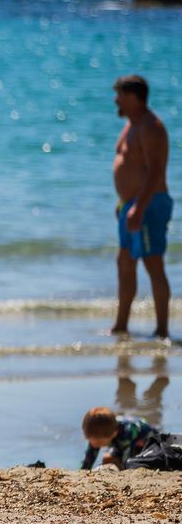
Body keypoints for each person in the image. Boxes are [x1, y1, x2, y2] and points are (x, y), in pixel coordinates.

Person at [110, 75, 171, 338]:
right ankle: (121, 326)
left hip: (149, 205)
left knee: (153, 264)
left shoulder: (151, 127)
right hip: (131, 205)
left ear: (133, 97)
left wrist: (139, 207)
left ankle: (162, 331)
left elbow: (156, 171)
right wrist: (124, 203)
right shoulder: (131, 125)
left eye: (120, 95)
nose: (116, 100)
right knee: (124, 261)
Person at [81, 406, 162, 470]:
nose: (93, 444)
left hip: (145, 444)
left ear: (114, 434)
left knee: (117, 460)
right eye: (89, 440)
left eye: (99, 443)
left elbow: (127, 461)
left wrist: (123, 469)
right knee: (106, 458)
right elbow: (89, 458)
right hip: (122, 442)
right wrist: (83, 471)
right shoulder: (99, 434)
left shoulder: (126, 434)